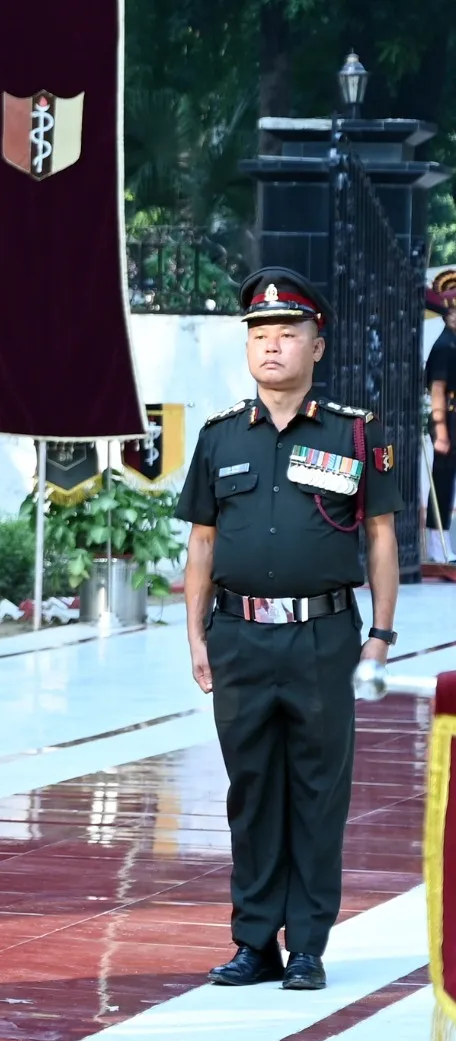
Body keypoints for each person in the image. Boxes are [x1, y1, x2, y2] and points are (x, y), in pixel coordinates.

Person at [176, 267, 401, 993]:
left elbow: (382, 539)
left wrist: (381, 637)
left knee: (316, 790)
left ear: (317, 344)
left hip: (323, 637)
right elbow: (202, 544)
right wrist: (195, 634)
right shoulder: (219, 439)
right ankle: (254, 943)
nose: (271, 347)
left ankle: (306, 944)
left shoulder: (354, 434)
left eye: (287, 334)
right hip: (240, 637)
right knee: (250, 792)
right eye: (260, 335)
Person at [424, 269, 456, 560]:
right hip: (448, 420)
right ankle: (438, 549)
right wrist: (441, 432)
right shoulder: (445, 345)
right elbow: (437, 389)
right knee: (443, 484)